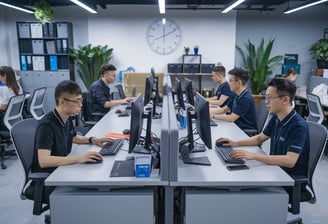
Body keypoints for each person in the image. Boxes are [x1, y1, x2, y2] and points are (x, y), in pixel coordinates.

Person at [217, 77, 309, 177]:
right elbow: (260, 138)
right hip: (274, 169)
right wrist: (234, 143)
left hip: (288, 179)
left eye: (270, 98)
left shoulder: (298, 126)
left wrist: (253, 156)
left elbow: (290, 161)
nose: (266, 102)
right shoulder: (277, 118)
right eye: (266, 97)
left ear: (285, 99)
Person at [32, 80, 112, 173]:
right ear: (62, 102)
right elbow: (44, 161)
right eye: (77, 101)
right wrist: (78, 158)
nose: (81, 105)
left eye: (81, 100)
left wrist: (93, 140)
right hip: (49, 177)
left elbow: (73, 137)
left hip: (62, 168)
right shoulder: (46, 126)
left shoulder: (67, 117)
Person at [210, 67, 257, 132]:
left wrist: (213, 116)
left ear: (239, 82)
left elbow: (231, 118)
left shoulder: (246, 99)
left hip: (244, 131)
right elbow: (224, 109)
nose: (229, 84)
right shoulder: (236, 94)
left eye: (231, 81)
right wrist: (208, 112)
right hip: (235, 126)